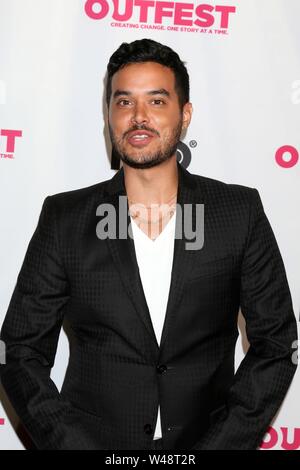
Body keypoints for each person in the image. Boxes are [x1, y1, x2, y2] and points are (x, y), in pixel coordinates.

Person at [0, 38, 297, 450]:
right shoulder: (65, 218)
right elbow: (20, 350)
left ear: (185, 114)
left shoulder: (237, 211)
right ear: (108, 115)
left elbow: (277, 345)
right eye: (124, 102)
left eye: (157, 102)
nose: (138, 117)